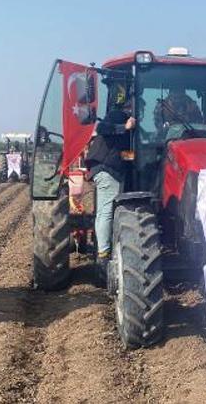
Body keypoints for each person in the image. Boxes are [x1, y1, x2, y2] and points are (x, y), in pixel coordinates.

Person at [85, 106, 136, 282]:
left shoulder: (128, 131)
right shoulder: (118, 115)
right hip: (106, 169)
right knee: (107, 211)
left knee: (105, 211)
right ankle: (104, 256)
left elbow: (123, 153)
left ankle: (104, 251)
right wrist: (125, 126)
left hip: (110, 168)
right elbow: (101, 128)